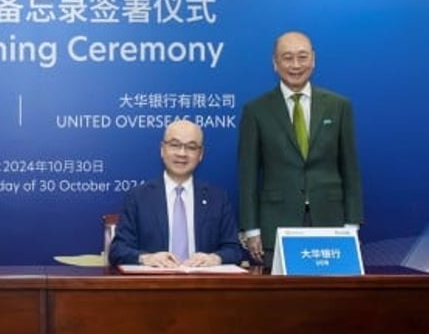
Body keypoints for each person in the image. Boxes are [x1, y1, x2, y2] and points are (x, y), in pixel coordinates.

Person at [237, 30, 363, 264]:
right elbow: (248, 176)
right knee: (280, 299)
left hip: (331, 222)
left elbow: (350, 169)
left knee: (331, 297)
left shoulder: (339, 106)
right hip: (276, 224)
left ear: (313, 60)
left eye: (302, 57)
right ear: (275, 63)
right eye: (287, 57)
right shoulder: (256, 110)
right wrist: (251, 229)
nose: (295, 65)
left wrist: (352, 223)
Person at [109, 120, 243, 268]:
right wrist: (146, 258)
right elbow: (118, 250)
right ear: (162, 149)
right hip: (153, 286)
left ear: (201, 154)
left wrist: (215, 258)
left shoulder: (218, 198)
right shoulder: (138, 197)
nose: (182, 153)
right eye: (175, 145)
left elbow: (234, 250)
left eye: (191, 147)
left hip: (202, 285)